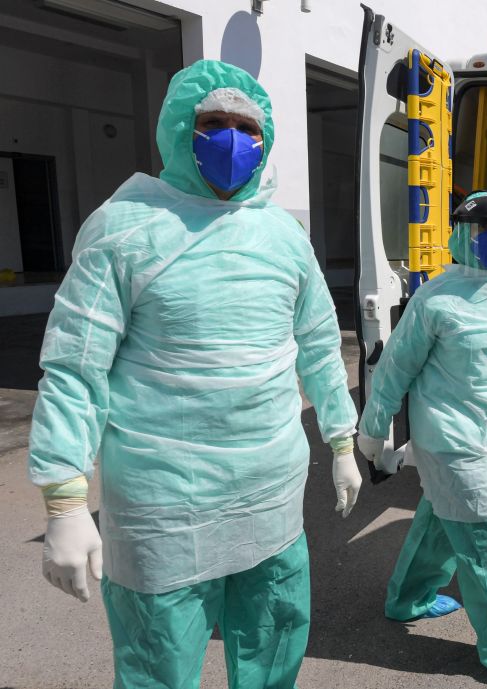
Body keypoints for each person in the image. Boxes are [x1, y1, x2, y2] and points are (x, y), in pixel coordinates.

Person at [28, 59, 362, 688]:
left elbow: (318, 341)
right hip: (164, 506)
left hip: (271, 493)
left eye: (247, 127)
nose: (233, 138)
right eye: (214, 122)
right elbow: (75, 368)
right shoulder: (125, 229)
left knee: (273, 641)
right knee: (161, 663)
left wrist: (341, 440)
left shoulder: (284, 235)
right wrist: (65, 500)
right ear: (181, 129)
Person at [358, 191, 487, 689]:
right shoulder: (435, 298)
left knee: (442, 520)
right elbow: (395, 369)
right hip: (447, 435)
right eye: (480, 230)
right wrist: (373, 433)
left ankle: (408, 598)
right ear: (458, 234)